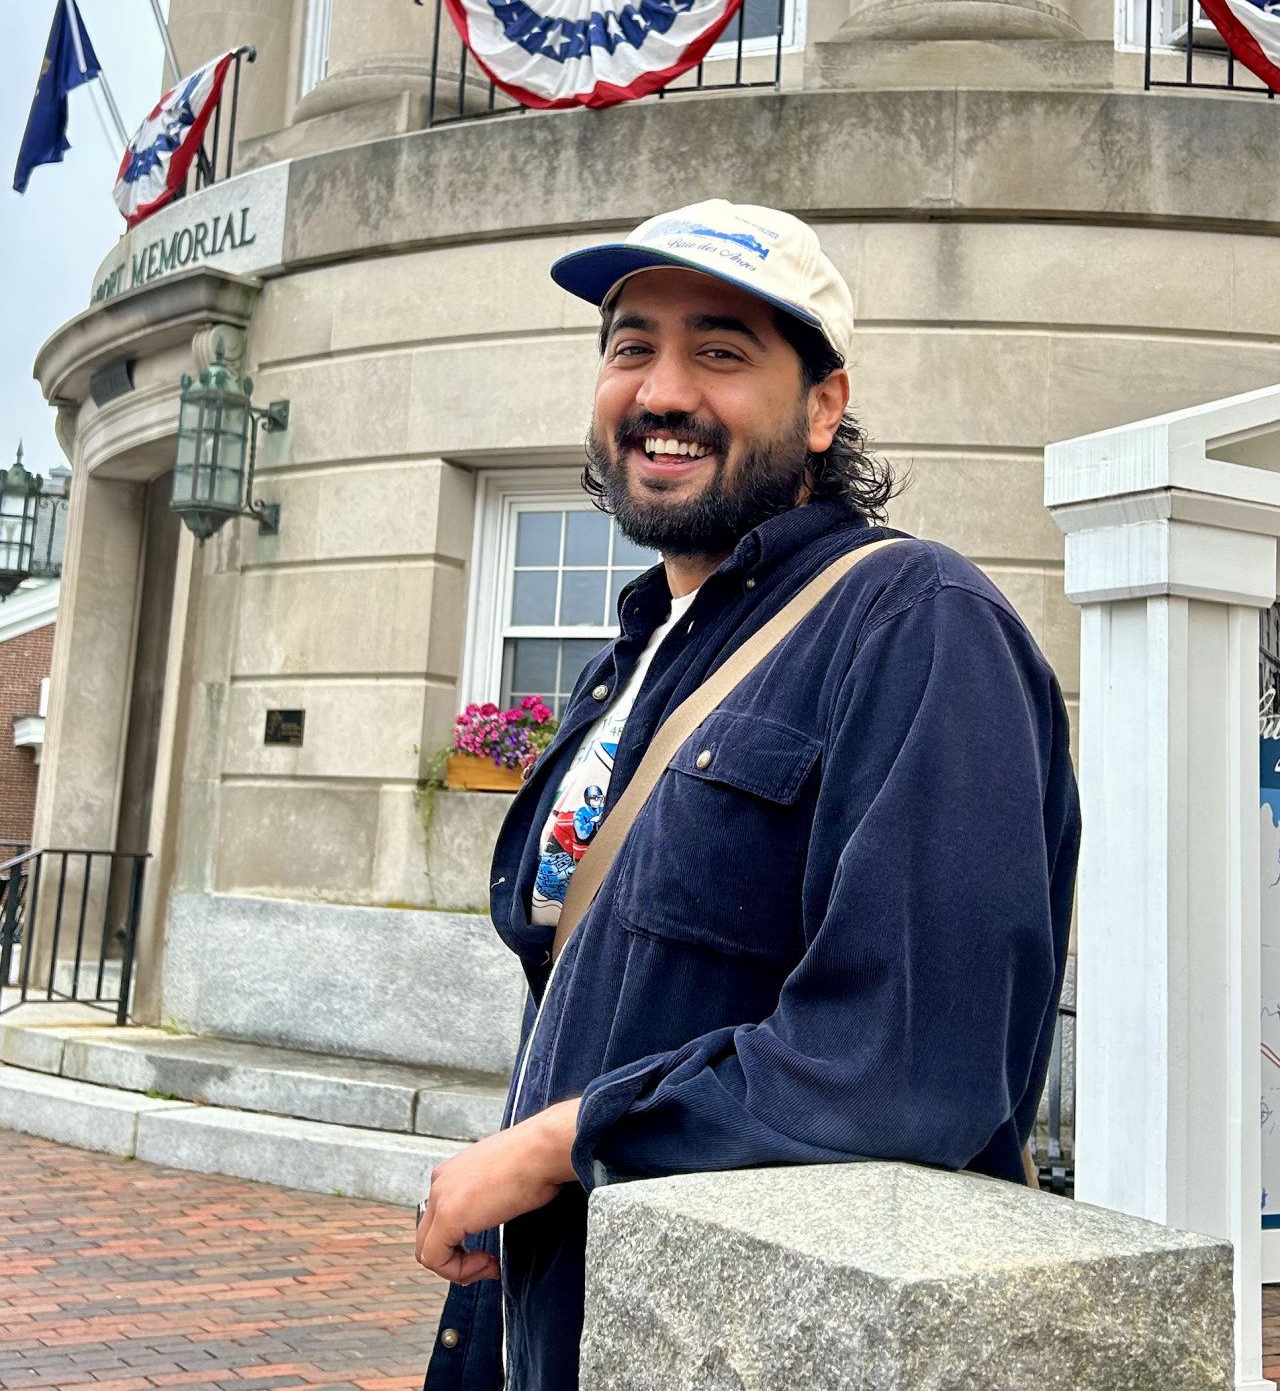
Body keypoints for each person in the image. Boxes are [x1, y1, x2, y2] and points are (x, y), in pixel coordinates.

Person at [417, 200, 1081, 1391]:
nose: (662, 390)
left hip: (740, 1339)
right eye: (631, 345)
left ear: (822, 404)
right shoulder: (628, 656)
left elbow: (906, 1063)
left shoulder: (916, 623)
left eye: (719, 351)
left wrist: (561, 1141)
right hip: (550, 1314)